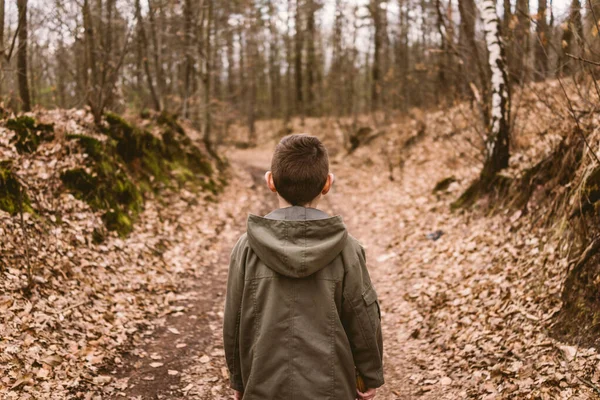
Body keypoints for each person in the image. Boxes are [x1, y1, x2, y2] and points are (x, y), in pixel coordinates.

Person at [223, 134, 384, 400]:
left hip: (263, 387)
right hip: (332, 390)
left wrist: (239, 380)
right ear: (327, 184)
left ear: (270, 181)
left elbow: (234, 319)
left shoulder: (246, 248)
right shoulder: (348, 249)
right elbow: (363, 316)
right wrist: (370, 373)